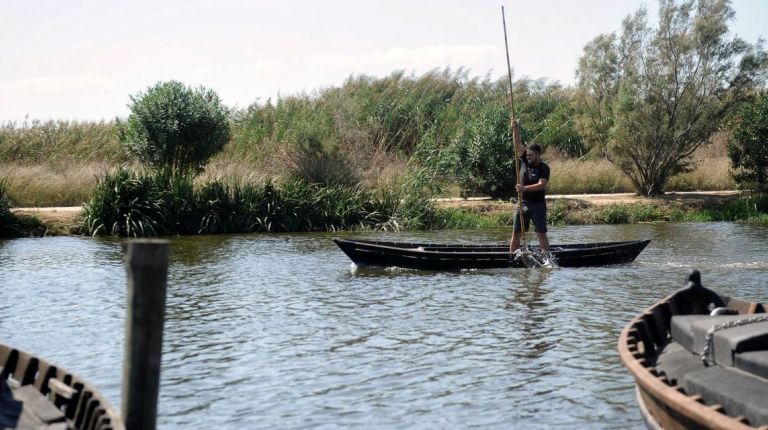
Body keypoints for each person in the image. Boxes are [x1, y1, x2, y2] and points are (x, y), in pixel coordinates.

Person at [510, 119, 550, 252]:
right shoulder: (525, 161)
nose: (528, 157)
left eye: (531, 155)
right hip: (523, 203)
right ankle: (511, 257)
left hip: (538, 204)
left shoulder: (544, 168)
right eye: (527, 155)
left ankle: (547, 258)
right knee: (516, 233)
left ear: (538, 155)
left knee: (541, 233)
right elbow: (517, 145)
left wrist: (524, 188)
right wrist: (515, 128)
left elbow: (541, 184)